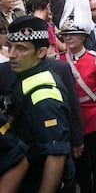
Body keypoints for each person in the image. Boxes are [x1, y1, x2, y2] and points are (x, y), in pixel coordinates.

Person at [6, 15, 75, 192]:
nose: (12, 54)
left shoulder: (43, 96)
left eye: (21, 48)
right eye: (10, 46)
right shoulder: (26, 76)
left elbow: (56, 155)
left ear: (41, 52)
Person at [59, 0, 96, 193]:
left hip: (94, 119)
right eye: (65, 35)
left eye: (73, 34)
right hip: (72, 123)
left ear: (83, 36)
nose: (69, 38)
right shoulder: (58, 61)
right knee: (80, 168)